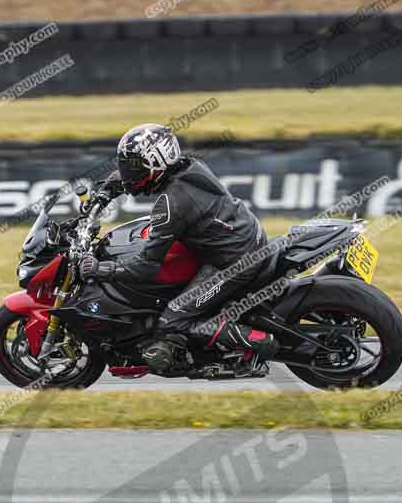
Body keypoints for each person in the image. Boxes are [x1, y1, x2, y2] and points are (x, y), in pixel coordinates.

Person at [79, 123, 279, 372]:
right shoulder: (188, 166)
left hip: (234, 262)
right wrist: (108, 189)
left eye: (133, 165)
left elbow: (147, 267)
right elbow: (135, 178)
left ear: (156, 163)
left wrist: (103, 269)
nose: (128, 171)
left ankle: (260, 343)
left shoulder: (172, 204)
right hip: (243, 238)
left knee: (172, 319)